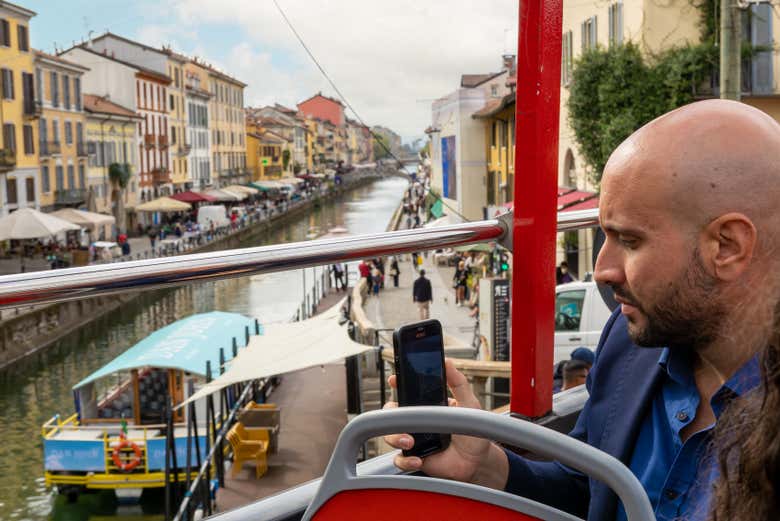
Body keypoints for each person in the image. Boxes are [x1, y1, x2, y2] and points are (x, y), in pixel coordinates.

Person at [383, 100, 780, 521]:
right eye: (605, 236)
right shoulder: (628, 343)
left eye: (630, 241)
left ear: (727, 246)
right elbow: (586, 490)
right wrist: (483, 465)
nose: (601, 270)